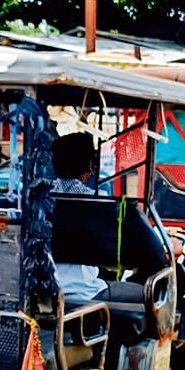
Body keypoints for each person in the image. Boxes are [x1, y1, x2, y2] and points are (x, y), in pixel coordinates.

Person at [50, 132, 146, 309]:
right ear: (89, 165)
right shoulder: (98, 202)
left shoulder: (40, 200)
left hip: (46, 290)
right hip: (85, 291)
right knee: (149, 293)